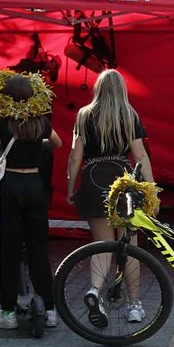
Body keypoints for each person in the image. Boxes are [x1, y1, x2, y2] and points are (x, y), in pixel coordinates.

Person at [67, 69, 154, 327]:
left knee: (102, 246)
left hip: (93, 182)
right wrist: (150, 188)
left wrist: (71, 187)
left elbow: (74, 157)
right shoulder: (129, 115)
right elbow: (140, 156)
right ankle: (135, 305)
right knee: (130, 246)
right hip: (122, 183)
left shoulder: (83, 115)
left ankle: (94, 292)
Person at [0, 73, 62, 330]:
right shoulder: (41, 121)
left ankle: (7, 313)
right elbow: (58, 142)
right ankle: (50, 310)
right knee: (38, 249)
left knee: (9, 250)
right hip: (35, 185)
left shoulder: (1, 121)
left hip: (11, 185)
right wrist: (36, 144)